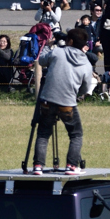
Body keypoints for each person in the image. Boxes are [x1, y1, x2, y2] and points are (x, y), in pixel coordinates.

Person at [30, 28, 93, 175]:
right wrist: (75, 94)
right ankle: (71, 165)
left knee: (44, 133)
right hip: (68, 103)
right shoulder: (87, 63)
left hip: (47, 99)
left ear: (70, 41)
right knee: (76, 134)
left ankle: (38, 166)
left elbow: (42, 60)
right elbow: (85, 88)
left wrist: (48, 45)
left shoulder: (58, 52)